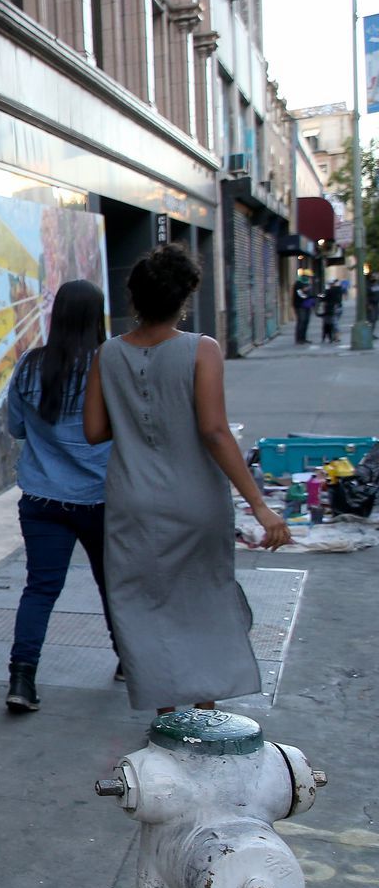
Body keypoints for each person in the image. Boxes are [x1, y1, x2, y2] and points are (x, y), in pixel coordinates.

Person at [84, 244, 292, 715]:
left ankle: (165, 717)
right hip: (195, 500)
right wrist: (259, 504)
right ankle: (205, 714)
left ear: (134, 298)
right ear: (185, 298)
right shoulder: (202, 349)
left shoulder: (108, 354)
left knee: (143, 608)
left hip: (131, 501)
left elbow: (94, 431)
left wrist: (136, 412)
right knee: (201, 600)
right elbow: (214, 430)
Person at [3, 280, 116, 715]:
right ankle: (129, 662)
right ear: (97, 316)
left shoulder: (31, 366)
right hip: (102, 499)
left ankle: (21, 678)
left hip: (42, 499)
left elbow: (16, 428)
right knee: (115, 586)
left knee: (40, 588)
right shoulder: (109, 365)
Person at [320, 279, 345, 345]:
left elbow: (323, 298)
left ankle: (337, 336)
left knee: (334, 322)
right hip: (339, 307)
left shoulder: (329, 290)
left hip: (333, 308)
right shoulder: (339, 289)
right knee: (335, 322)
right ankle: (335, 336)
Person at [291, 278, 314, 345]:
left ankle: (303, 338)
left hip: (306, 306)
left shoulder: (307, 284)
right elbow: (301, 294)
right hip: (300, 306)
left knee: (306, 322)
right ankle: (299, 339)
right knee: (301, 321)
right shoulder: (298, 285)